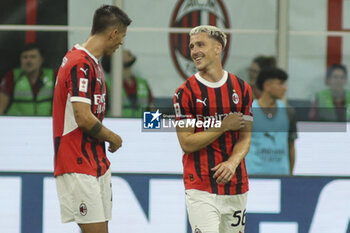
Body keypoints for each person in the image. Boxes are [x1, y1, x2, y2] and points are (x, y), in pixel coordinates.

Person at [52, 5, 131, 233]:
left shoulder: (90, 64)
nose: (121, 43)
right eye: (122, 37)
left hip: (95, 163)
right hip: (78, 162)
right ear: (113, 33)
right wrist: (113, 138)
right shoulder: (80, 63)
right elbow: (83, 118)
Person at [173, 25, 253, 233]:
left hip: (236, 186)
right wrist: (223, 126)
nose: (194, 51)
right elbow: (187, 143)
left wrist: (232, 163)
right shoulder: (185, 93)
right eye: (191, 46)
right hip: (201, 187)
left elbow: (245, 138)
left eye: (200, 44)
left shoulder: (242, 88)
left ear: (218, 48)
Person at [245, 68, 297, 175]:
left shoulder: (288, 112)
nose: (285, 88)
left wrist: (290, 176)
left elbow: (291, 145)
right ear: (267, 85)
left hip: (281, 175)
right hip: (253, 176)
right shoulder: (247, 112)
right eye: (280, 84)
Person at [0, 43, 55, 115]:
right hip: (16, 123)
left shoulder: (53, 76)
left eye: (33, 57)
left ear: (41, 60)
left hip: (47, 123)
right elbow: (1, 107)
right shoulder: (12, 76)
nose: (28, 61)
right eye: (25, 57)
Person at [101, 49, 154, 117]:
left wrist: (153, 127)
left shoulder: (143, 83)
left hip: (140, 126)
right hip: (116, 126)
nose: (127, 51)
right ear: (115, 60)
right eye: (121, 51)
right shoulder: (107, 86)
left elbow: (151, 109)